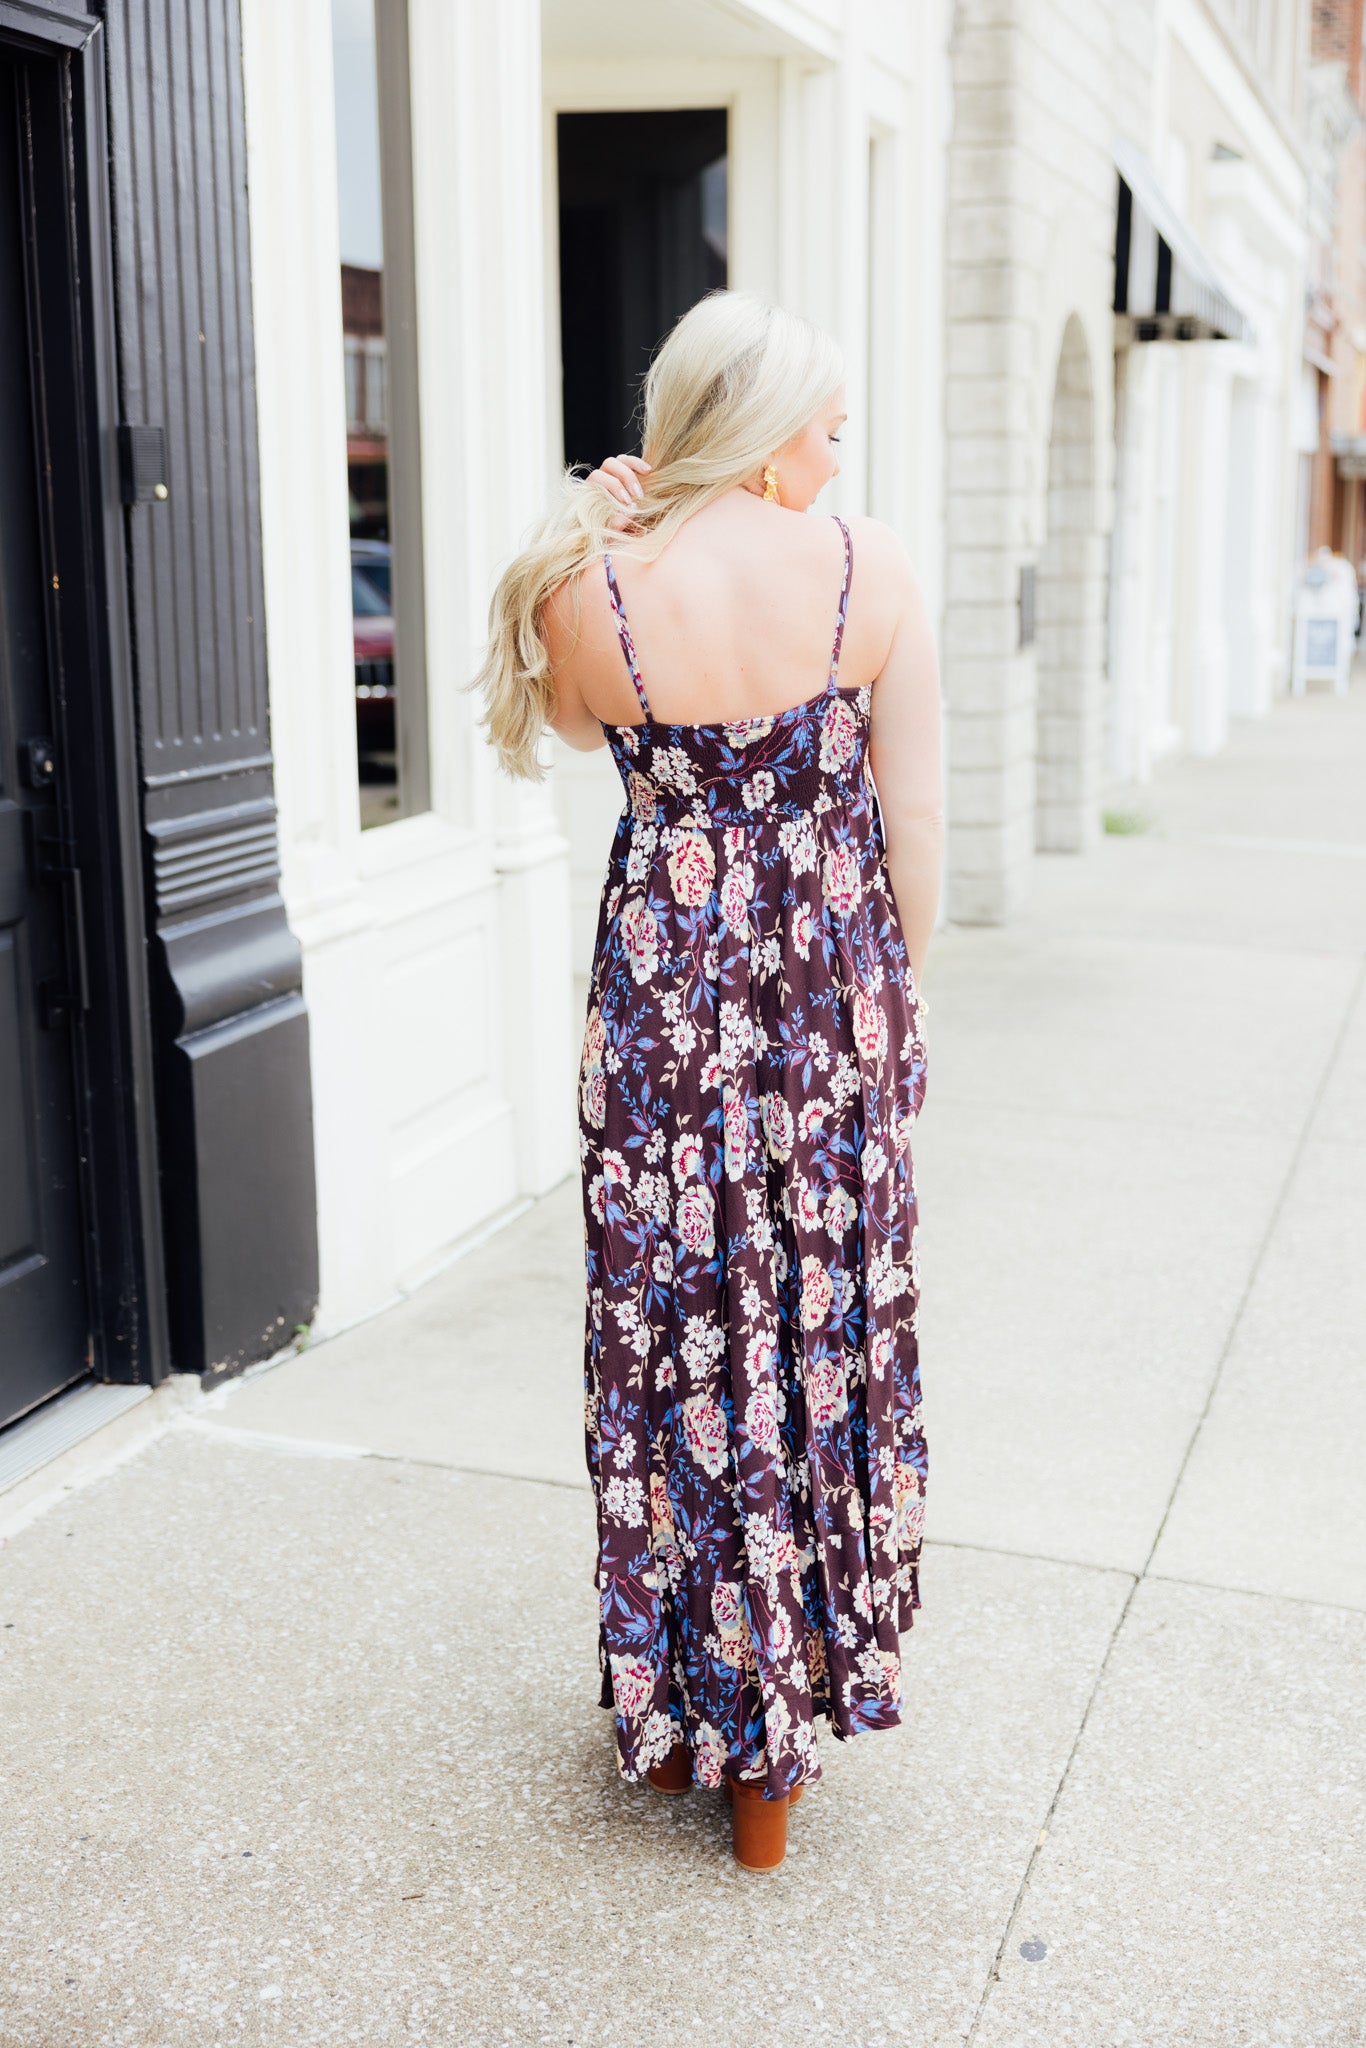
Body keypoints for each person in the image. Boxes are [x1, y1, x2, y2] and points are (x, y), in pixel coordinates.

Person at [477, 290, 942, 1870]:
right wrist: (894, 1000)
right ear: (752, 432)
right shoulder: (867, 569)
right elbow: (915, 829)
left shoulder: (580, 586)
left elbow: (547, 723)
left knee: (679, 1330)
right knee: (813, 1330)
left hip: (665, 996)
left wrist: (586, 524)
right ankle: (780, 1743)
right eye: (818, 420)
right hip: (821, 1003)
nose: (835, 447)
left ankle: (693, 1709)